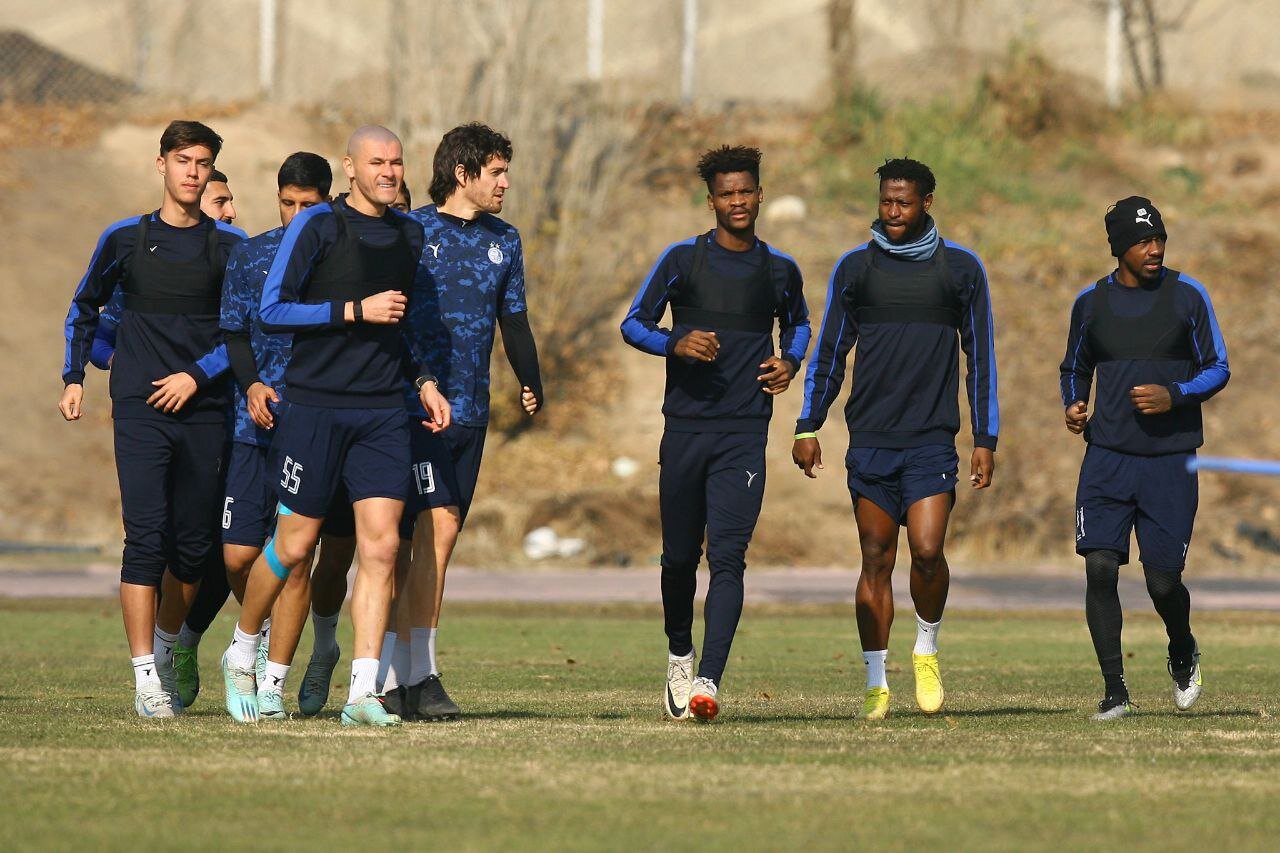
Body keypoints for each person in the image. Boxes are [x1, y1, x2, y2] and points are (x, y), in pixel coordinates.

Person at [219, 125, 448, 727]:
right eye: (377, 162)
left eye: (396, 162)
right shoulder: (317, 225)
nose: (389, 172)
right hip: (315, 407)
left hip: (382, 412)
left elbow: (400, 326)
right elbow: (272, 309)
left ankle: (363, 694)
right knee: (293, 546)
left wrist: (423, 381)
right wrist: (353, 310)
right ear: (350, 167)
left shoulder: (410, 233)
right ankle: (241, 649)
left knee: (382, 546)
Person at [792, 157, 998, 721]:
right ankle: (876, 680)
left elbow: (981, 357)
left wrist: (985, 438)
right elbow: (830, 353)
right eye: (885, 201)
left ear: (926, 203)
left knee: (928, 553)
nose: (892, 211)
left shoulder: (961, 269)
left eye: (903, 202)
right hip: (871, 439)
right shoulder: (856, 269)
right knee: (875, 557)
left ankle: (926, 648)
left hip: (931, 439)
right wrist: (808, 424)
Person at [59, 120, 245, 718]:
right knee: (144, 538)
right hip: (140, 410)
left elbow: (246, 331)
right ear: (161, 164)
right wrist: (75, 377)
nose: (193, 172)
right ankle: (145, 677)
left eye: (203, 163)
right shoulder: (124, 238)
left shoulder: (231, 246)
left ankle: (167, 647)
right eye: (183, 160)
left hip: (205, 411)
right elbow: (84, 307)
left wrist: (197, 375)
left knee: (192, 547)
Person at [621, 145, 810, 722]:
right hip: (685, 429)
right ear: (711, 201)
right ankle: (680, 654)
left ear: (760, 195)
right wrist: (674, 343)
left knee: (728, 557)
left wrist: (789, 361)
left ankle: (709, 679)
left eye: (746, 191)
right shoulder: (683, 260)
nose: (737, 201)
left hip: (744, 433)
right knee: (679, 559)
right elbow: (633, 324)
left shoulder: (780, 269)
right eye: (727, 194)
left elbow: (799, 324)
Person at [376, 122, 542, 722]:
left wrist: (530, 379)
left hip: (470, 410)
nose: (504, 183)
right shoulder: (411, 230)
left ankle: (412, 676)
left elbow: (513, 319)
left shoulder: (506, 240)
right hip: (408, 407)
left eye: (505, 172)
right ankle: (391, 674)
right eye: (495, 172)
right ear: (462, 173)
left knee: (438, 542)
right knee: (403, 542)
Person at [1060, 196, 1229, 720]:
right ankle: (1115, 692)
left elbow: (1218, 367)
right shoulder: (1090, 303)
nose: (1154, 249)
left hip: (1171, 462)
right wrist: (1075, 403)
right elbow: (1074, 366)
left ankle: (1182, 645)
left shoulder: (1188, 296)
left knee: (1163, 582)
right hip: (1107, 458)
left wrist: (1174, 394)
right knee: (1100, 567)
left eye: (1159, 239)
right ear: (1119, 248)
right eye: (1142, 241)